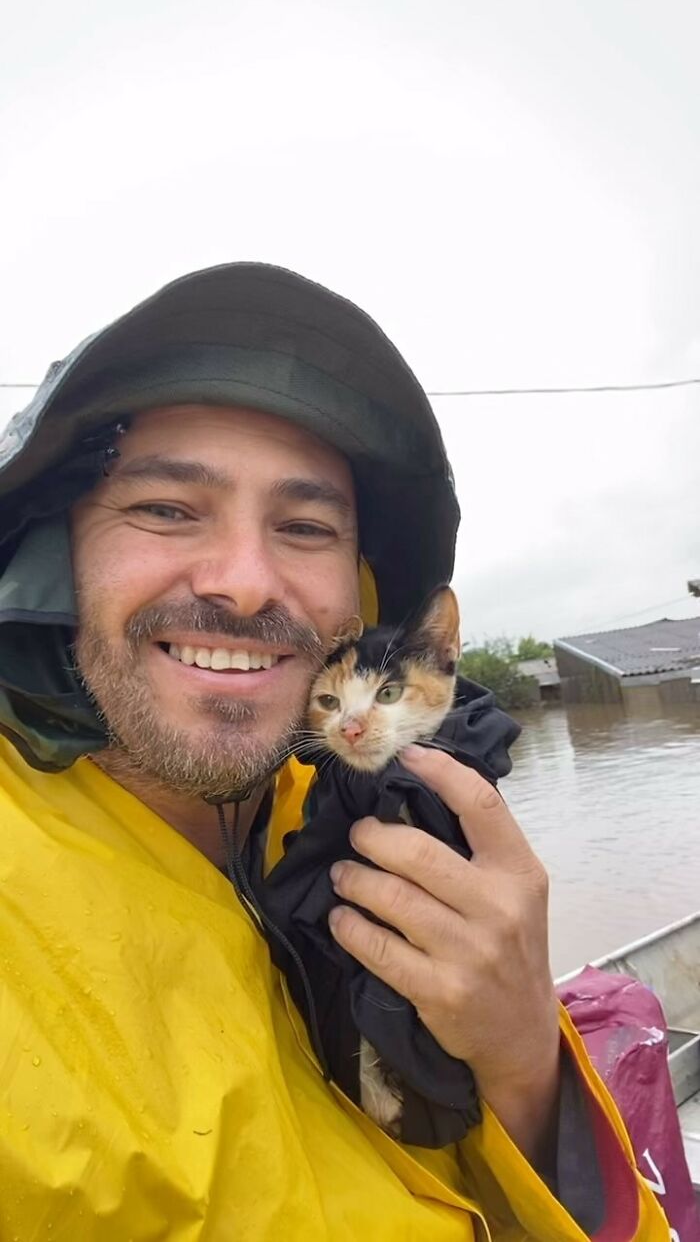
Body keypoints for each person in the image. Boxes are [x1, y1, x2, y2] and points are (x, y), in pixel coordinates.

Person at [0, 263, 665, 1239]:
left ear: (357, 593)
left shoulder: (389, 817)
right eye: (167, 508)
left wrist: (525, 1060)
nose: (242, 582)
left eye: (305, 526)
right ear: (52, 555)